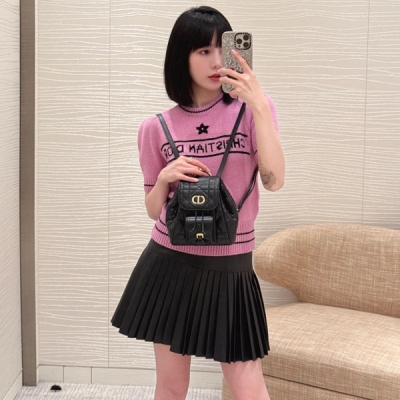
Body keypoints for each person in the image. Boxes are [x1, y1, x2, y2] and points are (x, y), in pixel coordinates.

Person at [111, 5, 285, 400]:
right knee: (172, 386)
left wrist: (259, 105)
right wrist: (165, 178)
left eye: (221, 48)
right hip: (170, 262)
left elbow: (274, 181)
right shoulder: (155, 127)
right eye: (202, 51)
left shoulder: (253, 111)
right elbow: (153, 210)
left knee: (248, 387)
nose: (215, 61)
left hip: (231, 265)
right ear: (181, 57)